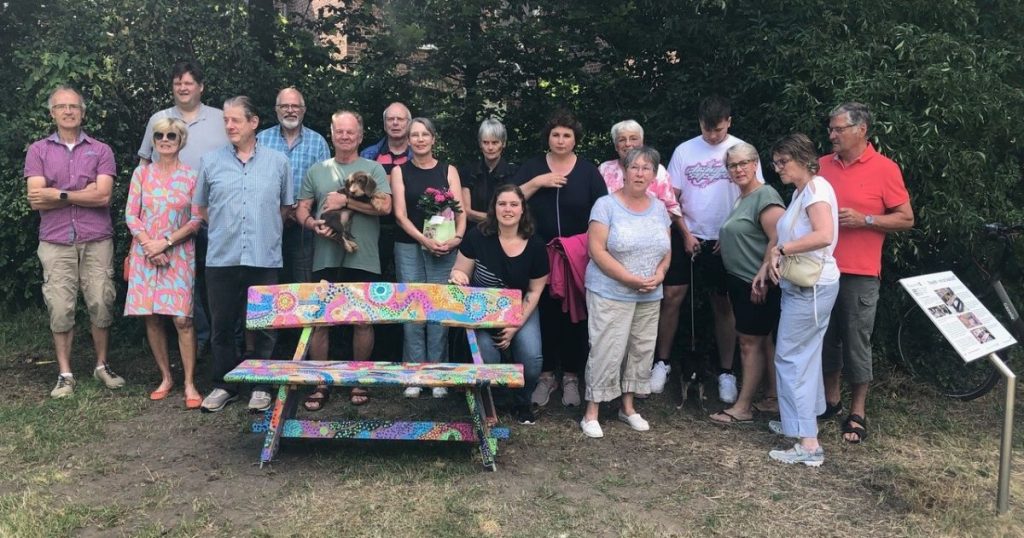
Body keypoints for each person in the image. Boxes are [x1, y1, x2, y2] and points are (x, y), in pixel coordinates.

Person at [819, 102, 914, 444]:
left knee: (857, 340)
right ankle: (831, 401)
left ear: (860, 130)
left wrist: (866, 219)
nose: (831, 135)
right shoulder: (821, 166)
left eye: (838, 129)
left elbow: (906, 218)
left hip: (860, 271)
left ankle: (857, 411)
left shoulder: (885, 169)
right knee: (827, 338)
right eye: (830, 129)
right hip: (821, 268)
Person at [194, 96, 293, 413]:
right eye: (226, 120)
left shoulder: (278, 162)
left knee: (265, 327)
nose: (229, 126)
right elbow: (202, 208)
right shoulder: (211, 162)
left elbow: (285, 207)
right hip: (222, 258)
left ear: (254, 122)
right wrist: (227, 230)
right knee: (222, 326)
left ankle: (261, 386)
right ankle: (225, 384)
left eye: (235, 120)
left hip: (264, 257)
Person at [25, 85, 125, 398]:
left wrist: (61, 193)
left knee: (100, 300)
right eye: (61, 106)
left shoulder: (101, 150)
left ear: (82, 112)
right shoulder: (38, 151)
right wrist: (83, 194)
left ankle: (101, 365)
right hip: (55, 241)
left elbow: (104, 196)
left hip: (96, 239)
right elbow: (37, 200)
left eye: (74, 106)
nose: (68, 111)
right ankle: (65, 374)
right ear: (52, 113)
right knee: (60, 307)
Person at [667, 95, 764, 404]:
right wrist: (683, 234)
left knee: (724, 305)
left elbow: (753, 195)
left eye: (719, 130)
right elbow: (672, 198)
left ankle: (725, 371)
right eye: (708, 130)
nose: (712, 136)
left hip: (727, 239)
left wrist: (731, 230)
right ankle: (662, 363)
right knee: (672, 298)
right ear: (700, 124)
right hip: (690, 235)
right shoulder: (684, 150)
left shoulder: (742, 151)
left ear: (729, 123)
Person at [295, 110, 392, 408]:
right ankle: (321, 383)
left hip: (365, 258)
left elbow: (385, 207)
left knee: (362, 322)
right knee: (322, 323)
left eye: (351, 132)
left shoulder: (374, 169)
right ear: (332, 134)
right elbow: (301, 209)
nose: (345, 136)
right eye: (340, 132)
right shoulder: (317, 170)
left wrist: (347, 202)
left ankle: (358, 381)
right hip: (324, 256)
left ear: (361, 136)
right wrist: (313, 225)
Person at [756, 134, 840, 466]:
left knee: (791, 358)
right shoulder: (802, 191)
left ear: (803, 159)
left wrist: (781, 251)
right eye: (775, 163)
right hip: (805, 285)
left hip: (813, 287)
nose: (777, 169)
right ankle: (800, 420)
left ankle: (808, 442)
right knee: (804, 355)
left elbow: (824, 234)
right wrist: (769, 263)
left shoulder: (816, 190)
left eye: (783, 162)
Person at [516, 109, 607, 408]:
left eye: (566, 135)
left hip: (577, 255)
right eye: (555, 134)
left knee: (574, 314)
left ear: (575, 139)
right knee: (545, 313)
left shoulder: (588, 171)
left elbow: (603, 212)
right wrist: (538, 182)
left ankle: (570, 376)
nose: (560, 139)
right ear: (548, 137)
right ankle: (545, 377)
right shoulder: (532, 167)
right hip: (539, 254)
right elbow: (510, 200)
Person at [138, 60, 229, 357]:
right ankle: (199, 339)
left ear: (200, 87)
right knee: (184, 284)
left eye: (189, 82)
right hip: (171, 224)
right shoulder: (159, 119)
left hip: (216, 217)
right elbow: (144, 165)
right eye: (178, 82)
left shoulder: (220, 118)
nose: (183, 87)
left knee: (216, 280)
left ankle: (223, 340)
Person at [579, 146, 672, 438]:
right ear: (624, 171)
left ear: (654, 175)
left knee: (640, 349)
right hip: (610, 291)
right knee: (607, 348)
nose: (640, 173)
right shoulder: (605, 206)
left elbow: (666, 250)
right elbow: (597, 251)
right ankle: (591, 411)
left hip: (649, 293)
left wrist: (659, 275)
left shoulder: (659, 208)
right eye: (634, 167)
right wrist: (630, 278)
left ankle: (627, 406)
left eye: (647, 168)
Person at [598, 119, 687, 393]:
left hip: (652, 252)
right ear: (615, 145)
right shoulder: (604, 170)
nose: (628, 144)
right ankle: (608, 381)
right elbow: (598, 212)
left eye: (633, 138)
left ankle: (649, 371)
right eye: (622, 140)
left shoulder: (656, 170)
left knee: (647, 320)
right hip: (615, 253)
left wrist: (682, 238)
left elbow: (670, 207)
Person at [450, 184, 549, 424]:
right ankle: (491, 402)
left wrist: (515, 325)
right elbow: (459, 271)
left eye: (514, 204)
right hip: (482, 311)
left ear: (522, 209)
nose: (508, 209)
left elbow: (534, 292)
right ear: (494, 208)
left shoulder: (536, 244)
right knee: (487, 356)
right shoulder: (477, 236)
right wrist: (458, 277)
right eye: (502, 203)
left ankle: (522, 401)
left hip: (519, 309)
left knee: (532, 358)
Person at [124, 117, 203, 409]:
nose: (165, 140)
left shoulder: (192, 176)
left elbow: (197, 218)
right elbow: (131, 215)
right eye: (159, 136)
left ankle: (190, 383)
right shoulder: (141, 174)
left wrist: (166, 242)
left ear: (180, 140)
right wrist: (149, 245)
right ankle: (166, 377)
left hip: (179, 253)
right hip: (146, 253)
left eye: (171, 135)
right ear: (154, 141)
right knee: (152, 316)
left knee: (183, 319)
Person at [709, 143, 785, 424]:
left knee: (749, 344)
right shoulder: (744, 197)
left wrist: (764, 276)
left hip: (757, 283)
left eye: (743, 163)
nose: (738, 169)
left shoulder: (766, 195)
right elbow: (746, 230)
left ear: (755, 164)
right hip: (742, 280)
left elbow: (778, 239)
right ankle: (772, 398)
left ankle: (742, 407)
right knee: (763, 342)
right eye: (732, 165)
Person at [390, 117, 466, 398]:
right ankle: (414, 374)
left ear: (434, 139)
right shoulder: (399, 172)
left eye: (425, 135)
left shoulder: (449, 170)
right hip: (409, 246)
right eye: (414, 135)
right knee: (413, 309)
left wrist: (457, 238)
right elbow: (399, 215)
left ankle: (438, 374)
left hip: (445, 247)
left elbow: (460, 211)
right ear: (408, 141)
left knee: (438, 309)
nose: (420, 139)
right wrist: (423, 240)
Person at [256, 87, 331, 285]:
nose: (290, 110)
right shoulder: (261, 140)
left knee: (304, 283)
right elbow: (253, 180)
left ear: (303, 110)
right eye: (285, 106)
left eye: (295, 106)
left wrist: (299, 210)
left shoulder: (318, 142)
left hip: (304, 226)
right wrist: (283, 209)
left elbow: (325, 185)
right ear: (276, 110)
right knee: (268, 282)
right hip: (267, 224)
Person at [460, 118, 517, 223]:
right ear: (480, 144)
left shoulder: (514, 173)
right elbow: (467, 213)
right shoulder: (468, 172)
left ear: (503, 144)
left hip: (505, 233)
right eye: (486, 142)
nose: (490, 147)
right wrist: (499, 218)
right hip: (474, 232)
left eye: (495, 142)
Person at [360, 102, 414, 172]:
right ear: (384, 125)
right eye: (390, 119)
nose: (395, 123)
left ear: (409, 124)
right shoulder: (367, 155)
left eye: (400, 119)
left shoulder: (418, 154)